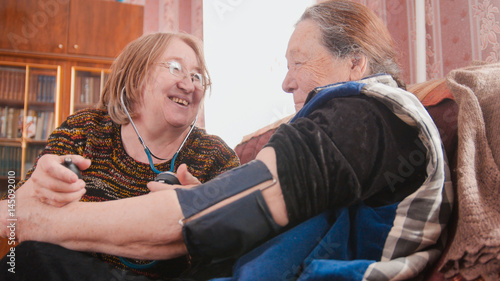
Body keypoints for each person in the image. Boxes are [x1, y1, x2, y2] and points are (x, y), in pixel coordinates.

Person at [0, 1, 453, 280]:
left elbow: (205, 220)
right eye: (175, 69)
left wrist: (32, 221)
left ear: (355, 64)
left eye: (298, 62)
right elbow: (233, 215)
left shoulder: (370, 114)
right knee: (31, 260)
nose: (286, 82)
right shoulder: (85, 127)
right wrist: (25, 204)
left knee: (35, 258)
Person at [1, 32, 240, 280]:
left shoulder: (215, 156)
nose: (189, 85)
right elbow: (17, 217)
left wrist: (204, 221)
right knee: (26, 258)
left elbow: (235, 252)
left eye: (196, 76)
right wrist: (38, 187)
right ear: (135, 76)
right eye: (175, 68)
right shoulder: (84, 129)